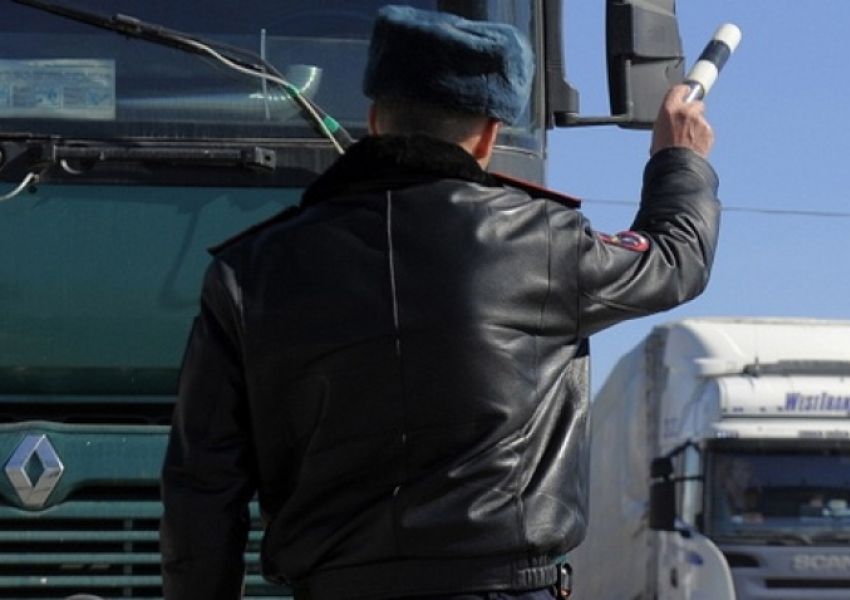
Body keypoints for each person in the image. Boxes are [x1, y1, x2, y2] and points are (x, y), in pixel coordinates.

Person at [160, 5, 720, 600]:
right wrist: (677, 157)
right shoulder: (545, 242)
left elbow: (202, 488)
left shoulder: (249, 271)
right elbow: (674, 258)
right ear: (489, 135)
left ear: (375, 118)